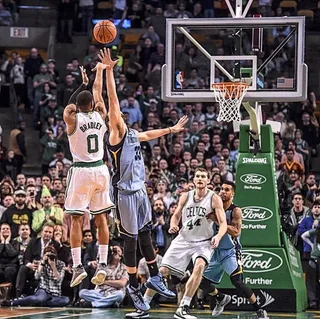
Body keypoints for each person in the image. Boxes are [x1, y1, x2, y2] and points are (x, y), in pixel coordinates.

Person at [99, 48, 187, 312]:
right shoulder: (115, 134)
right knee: (131, 240)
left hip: (140, 191)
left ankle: (155, 276)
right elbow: (112, 101)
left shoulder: (133, 133)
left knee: (146, 233)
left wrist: (171, 129)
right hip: (124, 193)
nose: (120, 117)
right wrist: (109, 71)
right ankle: (134, 288)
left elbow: (149, 134)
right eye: (117, 117)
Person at [137, 168, 227, 319]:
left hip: (203, 242)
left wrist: (218, 236)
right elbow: (176, 214)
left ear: (208, 180)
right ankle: (143, 306)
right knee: (162, 271)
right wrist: (173, 224)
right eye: (197, 176)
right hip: (184, 239)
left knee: (199, 266)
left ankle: (184, 307)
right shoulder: (186, 196)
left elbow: (223, 223)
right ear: (193, 180)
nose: (200, 179)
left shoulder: (214, 198)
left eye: (203, 177)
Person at [63, 63, 115, 288]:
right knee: (101, 218)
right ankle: (102, 263)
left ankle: (77, 267)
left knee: (76, 218)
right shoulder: (101, 114)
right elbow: (98, 91)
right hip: (101, 170)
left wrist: (81, 83)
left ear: (78, 106)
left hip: (82, 170)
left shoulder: (72, 118)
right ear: (92, 105)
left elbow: (68, 106)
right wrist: (101, 71)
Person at [199, 181, 269, 319]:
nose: (223, 191)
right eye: (221, 189)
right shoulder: (212, 208)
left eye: (227, 189)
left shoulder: (235, 210)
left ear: (233, 193)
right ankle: (221, 298)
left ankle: (260, 310)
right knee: (201, 282)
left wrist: (218, 220)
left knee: (237, 281)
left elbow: (236, 232)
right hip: (215, 251)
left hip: (230, 251)